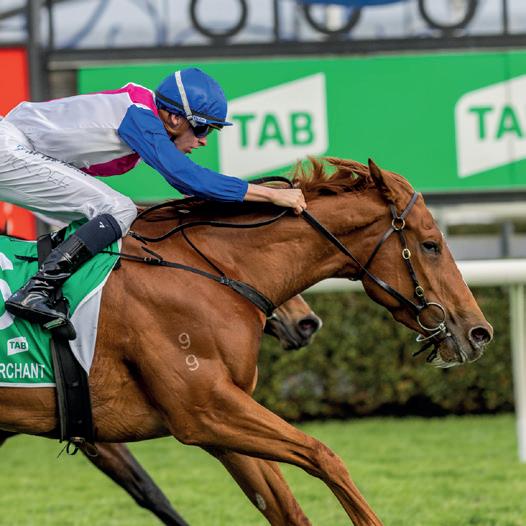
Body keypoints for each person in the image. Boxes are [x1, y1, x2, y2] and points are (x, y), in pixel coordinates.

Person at [0, 67, 306, 332]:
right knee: (118, 209)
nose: (202, 140)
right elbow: (188, 178)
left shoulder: (141, 114)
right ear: (173, 118)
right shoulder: (139, 116)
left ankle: (52, 291)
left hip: (18, 149)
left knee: (118, 218)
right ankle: (37, 290)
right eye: (201, 128)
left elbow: (187, 185)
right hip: (11, 147)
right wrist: (271, 194)